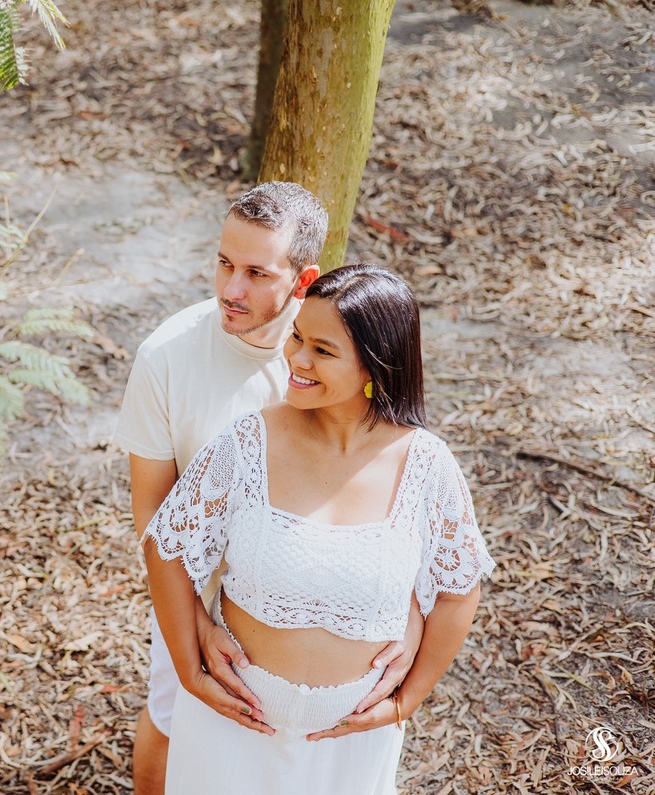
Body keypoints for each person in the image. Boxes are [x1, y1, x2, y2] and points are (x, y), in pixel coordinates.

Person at [115, 182, 422, 795]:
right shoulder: (166, 359)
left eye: (256, 272)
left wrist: (407, 617)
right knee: (174, 718)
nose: (232, 289)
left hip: (320, 591)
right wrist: (195, 627)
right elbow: (153, 509)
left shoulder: (331, 357)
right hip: (197, 592)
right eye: (225, 263)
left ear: (303, 279)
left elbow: (394, 486)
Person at [142, 263, 496, 793]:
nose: (297, 360)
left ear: (377, 366)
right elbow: (167, 547)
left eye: (323, 351)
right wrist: (191, 661)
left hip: (349, 745)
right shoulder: (248, 442)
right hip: (231, 730)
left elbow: (458, 587)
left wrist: (409, 698)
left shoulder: (425, 464)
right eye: (298, 337)